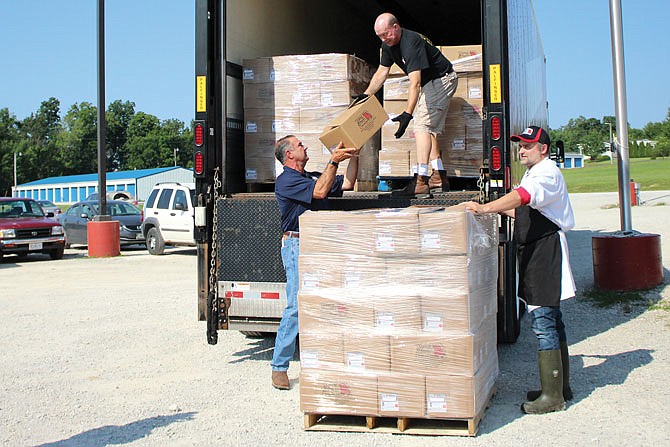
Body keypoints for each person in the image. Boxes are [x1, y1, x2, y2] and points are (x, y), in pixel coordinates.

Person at [463, 126, 576, 414]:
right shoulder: (536, 171)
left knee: (543, 321)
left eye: (528, 145)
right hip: (537, 247)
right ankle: (559, 386)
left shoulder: (547, 172)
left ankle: (553, 397)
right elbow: (525, 209)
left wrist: (485, 208)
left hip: (545, 250)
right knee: (551, 317)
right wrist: (495, 209)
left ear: (544, 149)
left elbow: (523, 197)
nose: (522, 150)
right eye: (520, 145)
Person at [271, 135, 359, 390]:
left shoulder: (309, 176)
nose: (305, 147)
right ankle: (279, 367)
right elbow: (320, 192)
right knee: (296, 306)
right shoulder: (286, 181)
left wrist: (356, 155)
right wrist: (333, 161)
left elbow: (349, 183)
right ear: (289, 155)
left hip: (320, 245)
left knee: (330, 302)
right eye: (300, 145)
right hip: (298, 246)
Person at [355, 12, 458, 195]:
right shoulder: (388, 44)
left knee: (422, 126)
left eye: (386, 34)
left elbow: (415, 83)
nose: (384, 39)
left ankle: (421, 181)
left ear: (396, 27)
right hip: (431, 83)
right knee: (428, 128)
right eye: (379, 36)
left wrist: (407, 114)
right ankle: (439, 177)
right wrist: (366, 94)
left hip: (442, 80)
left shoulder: (411, 42)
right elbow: (381, 72)